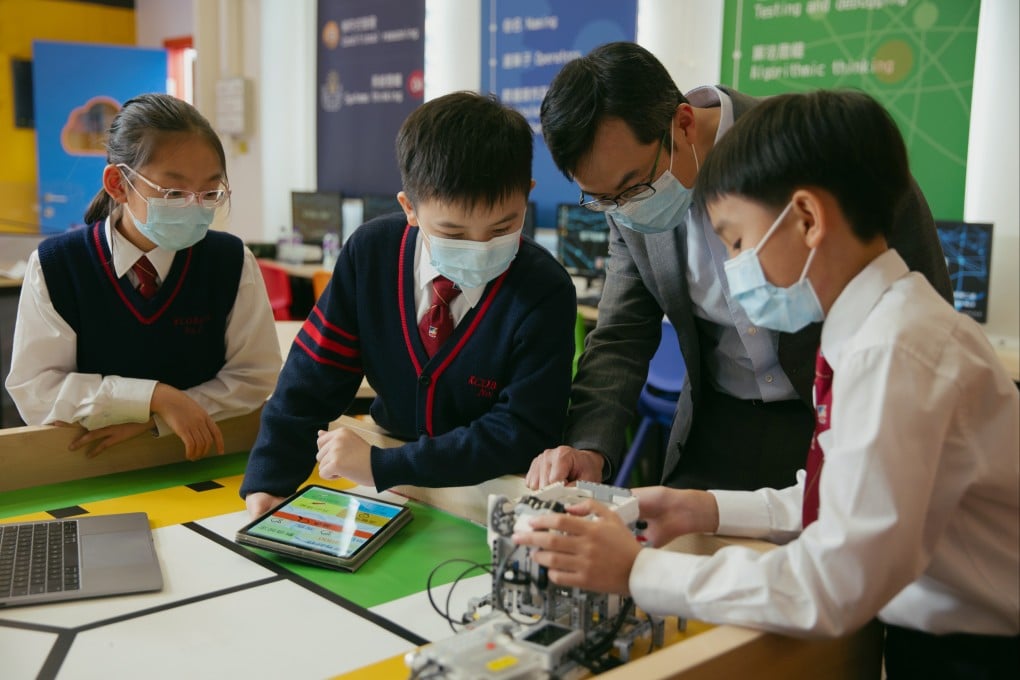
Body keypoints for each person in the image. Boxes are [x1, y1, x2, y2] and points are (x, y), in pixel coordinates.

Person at [514, 90, 1019, 678]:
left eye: (736, 241)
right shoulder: (873, 328)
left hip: (980, 648)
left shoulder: (893, 352)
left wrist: (637, 572)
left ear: (806, 219)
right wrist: (700, 506)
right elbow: (837, 499)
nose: (733, 268)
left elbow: (831, 584)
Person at [526, 42, 952, 492]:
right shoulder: (625, 204)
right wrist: (589, 446)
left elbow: (921, 296)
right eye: (604, 201)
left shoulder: (816, 143)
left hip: (837, 415)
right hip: (718, 421)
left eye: (633, 187)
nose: (623, 210)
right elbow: (621, 333)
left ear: (685, 124)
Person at [240, 92, 576, 517]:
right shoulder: (371, 253)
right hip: (393, 472)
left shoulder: (544, 288)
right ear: (410, 208)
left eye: (504, 226)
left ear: (526, 195)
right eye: (453, 233)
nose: (480, 247)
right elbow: (312, 377)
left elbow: (520, 431)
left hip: (490, 491)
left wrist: (383, 466)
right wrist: (270, 478)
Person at [5, 93, 281, 461]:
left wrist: (162, 418)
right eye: (174, 192)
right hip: (89, 465)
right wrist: (154, 397)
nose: (195, 205)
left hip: (203, 457)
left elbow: (254, 375)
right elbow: (36, 390)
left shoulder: (230, 261)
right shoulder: (58, 266)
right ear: (118, 184)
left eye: (211, 192)